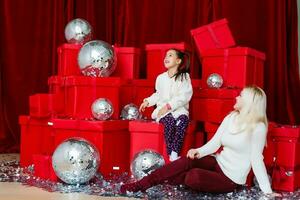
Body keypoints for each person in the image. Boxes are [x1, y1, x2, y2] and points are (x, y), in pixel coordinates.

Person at [121, 86, 280, 197]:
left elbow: (256, 159)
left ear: (250, 102)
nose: (237, 96)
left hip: (231, 178)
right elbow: (215, 143)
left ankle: (172, 177)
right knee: (187, 160)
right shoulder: (232, 117)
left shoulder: (258, 127)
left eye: (241, 95)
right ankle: (140, 185)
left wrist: (267, 191)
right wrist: (199, 151)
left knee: (193, 176)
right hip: (218, 163)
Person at [139, 48, 193, 162]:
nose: (166, 58)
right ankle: (171, 153)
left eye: (170, 55)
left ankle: (175, 152)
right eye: (166, 55)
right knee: (169, 122)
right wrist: (147, 102)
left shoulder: (184, 77)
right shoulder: (161, 78)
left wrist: (168, 106)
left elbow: (184, 96)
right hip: (163, 112)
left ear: (178, 61)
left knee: (182, 122)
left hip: (179, 110)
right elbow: (158, 94)